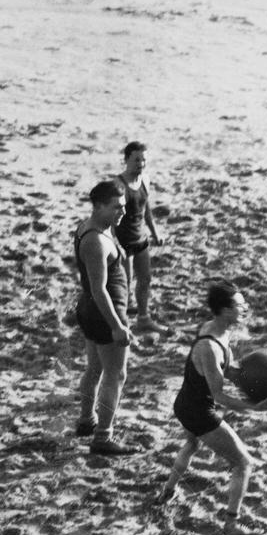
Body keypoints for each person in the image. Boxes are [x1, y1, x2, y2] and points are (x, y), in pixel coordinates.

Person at [158, 282, 267, 534]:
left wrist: (254, 380)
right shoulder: (209, 346)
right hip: (198, 411)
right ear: (223, 310)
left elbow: (227, 370)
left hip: (185, 403)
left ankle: (167, 491)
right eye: (238, 305)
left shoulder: (218, 330)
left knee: (191, 444)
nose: (244, 308)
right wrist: (253, 407)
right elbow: (219, 395)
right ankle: (231, 523)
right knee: (244, 463)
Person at [73, 180, 136, 456]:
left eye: (123, 206)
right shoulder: (96, 240)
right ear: (98, 206)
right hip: (104, 312)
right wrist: (118, 326)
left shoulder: (95, 228)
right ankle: (103, 437)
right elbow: (99, 289)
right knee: (115, 374)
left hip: (91, 309)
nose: (122, 212)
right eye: (116, 207)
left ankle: (87, 421)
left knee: (95, 369)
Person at [114, 142, 167, 333]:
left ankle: (143, 319)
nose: (141, 164)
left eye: (144, 160)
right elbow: (111, 218)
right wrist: (115, 244)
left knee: (145, 280)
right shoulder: (118, 185)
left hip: (140, 238)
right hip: (123, 241)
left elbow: (146, 209)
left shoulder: (145, 179)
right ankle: (121, 325)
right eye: (136, 159)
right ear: (126, 160)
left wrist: (155, 232)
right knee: (124, 285)